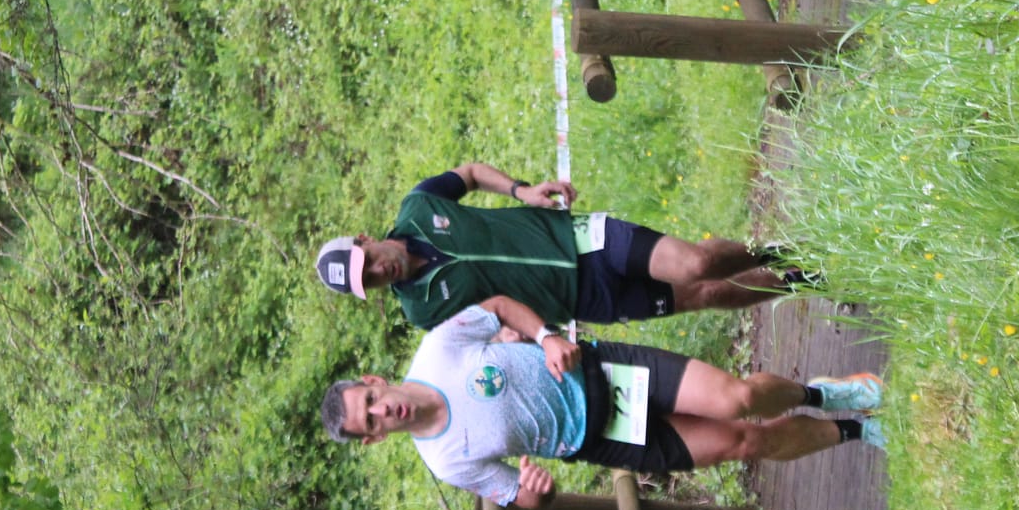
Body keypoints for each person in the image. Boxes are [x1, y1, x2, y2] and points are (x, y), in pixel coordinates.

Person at [318, 301, 884, 510]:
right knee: (745, 442)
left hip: (604, 372)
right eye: (369, 421)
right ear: (372, 439)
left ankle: (823, 393)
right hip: (600, 438)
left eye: (371, 400)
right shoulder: (445, 461)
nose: (380, 411)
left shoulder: (438, 349)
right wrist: (536, 494)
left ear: (374, 380)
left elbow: (497, 307)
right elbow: (516, 495)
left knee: (737, 399)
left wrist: (543, 336)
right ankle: (854, 435)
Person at [312, 161, 804, 332]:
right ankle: (802, 283)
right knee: (709, 296)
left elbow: (470, 174)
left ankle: (783, 254)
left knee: (698, 263)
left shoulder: (419, 206)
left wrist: (521, 190)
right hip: (582, 300)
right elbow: (492, 331)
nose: (378, 273)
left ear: (364, 240)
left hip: (579, 240)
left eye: (367, 262)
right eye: (368, 282)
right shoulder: (423, 313)